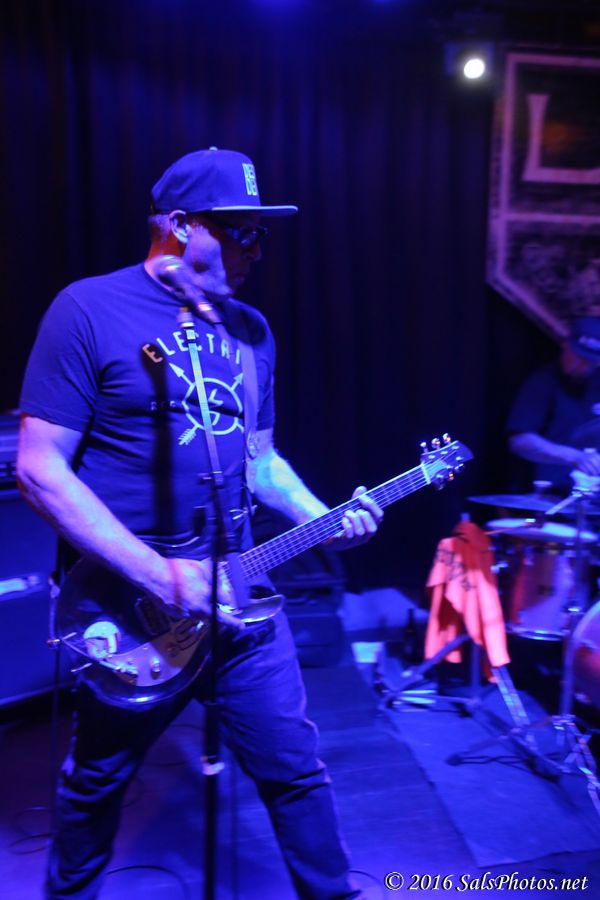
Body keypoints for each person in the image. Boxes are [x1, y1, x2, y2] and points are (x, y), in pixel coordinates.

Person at [17, 147, 382, 899]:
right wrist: (157, 574)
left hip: (239, 594)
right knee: (97, 782)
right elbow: (39, 469)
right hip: (129, 601)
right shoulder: (88, 310)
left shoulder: (252, 332)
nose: (257, 250)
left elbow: (260, 460)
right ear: (180, 226)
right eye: (240, 231)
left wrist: (322, 515)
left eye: (261, 234)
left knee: (295, 770)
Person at [506, 317, 600, 493]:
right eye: (579, 357)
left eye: (592, 361)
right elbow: (519, 440)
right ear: (565, 344)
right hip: (553, 494)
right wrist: (575, 457)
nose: (584, 367)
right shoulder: (543, 382)